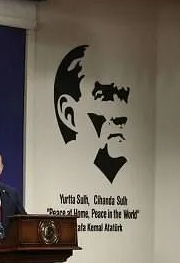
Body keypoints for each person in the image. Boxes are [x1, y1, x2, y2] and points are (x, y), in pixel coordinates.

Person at [54, 44, 131, 183]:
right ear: (68, 113)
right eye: (102, 96)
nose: (119, 117)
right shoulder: (58, 175)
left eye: (122, 96)